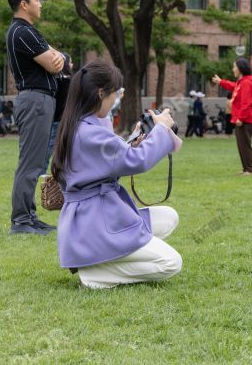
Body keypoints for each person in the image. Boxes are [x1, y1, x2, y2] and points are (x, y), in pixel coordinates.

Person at [51, 60, 183, 289]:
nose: (116, 99)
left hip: (94, 216)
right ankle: (98, 273)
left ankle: (103, 261)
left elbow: (109, 159)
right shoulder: (90, 132)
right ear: (100, 93)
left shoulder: (82, 124)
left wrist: (134, 142)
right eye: (115, 93)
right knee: (171, 262)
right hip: (94, 223)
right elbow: (136, 161)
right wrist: (160, 128)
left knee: (169, 217)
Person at [5, 0, 65, 235]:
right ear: (24, 4)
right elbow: (55, 64)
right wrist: (58, 58)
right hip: (36, 100)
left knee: (36, 161)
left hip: (42, 100)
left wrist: (59, 57)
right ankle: (21, 220)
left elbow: (60, 56)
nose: (41, 3)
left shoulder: (28, 31)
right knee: (31, 163)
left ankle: (29, 216)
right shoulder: (22, 32)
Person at [212, 57, 252, 174]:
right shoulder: (241, 82)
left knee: (245, 145)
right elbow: (233, 86)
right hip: (241, 119)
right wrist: (221, 82)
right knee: (241, 145)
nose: (233, 69)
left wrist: (241, 118)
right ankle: (245, 168)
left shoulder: (246, 83)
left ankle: (249, 169)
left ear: (240, 68)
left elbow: (246, 103)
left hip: (245, 119)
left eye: (234, 67)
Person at [42, 53, 74, 173]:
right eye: (70, 62)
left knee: (49, 146)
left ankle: (43, 171)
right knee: (61, 148)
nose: (72, 64)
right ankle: (58, 172)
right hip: (63, 119)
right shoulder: (68, 81)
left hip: (53, 117)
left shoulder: (53, 80)